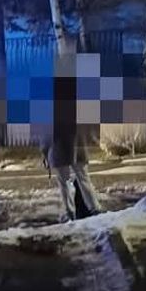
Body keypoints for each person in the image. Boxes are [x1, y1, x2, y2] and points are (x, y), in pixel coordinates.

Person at [45, 71, 101, 222]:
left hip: (60, 148)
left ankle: (70, 213)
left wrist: (44, 150)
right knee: (83, 178)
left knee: (64, 182)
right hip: (78, 146)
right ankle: (94, 208)